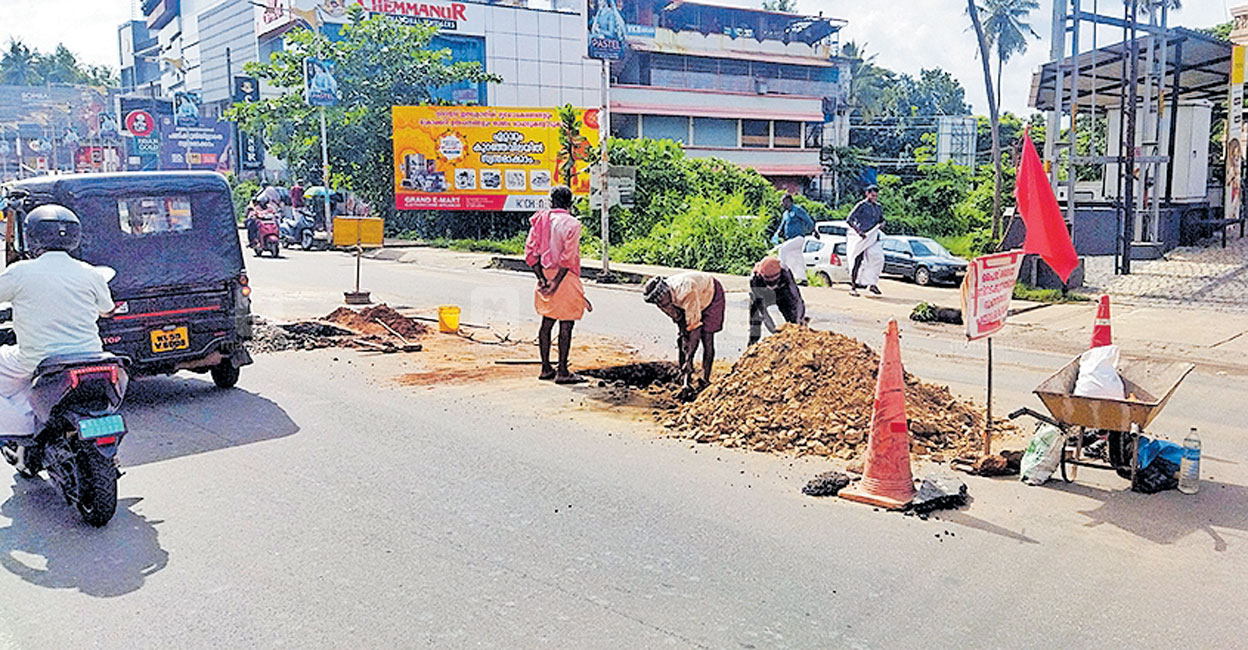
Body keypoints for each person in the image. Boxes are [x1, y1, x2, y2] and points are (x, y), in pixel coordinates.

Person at [0, 205, 115, 450]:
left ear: (32, 237)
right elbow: (107, 310)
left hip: (38, 360)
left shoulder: (20, 272)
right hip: (91, 357)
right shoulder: (91, 273)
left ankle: (20, 430)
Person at [524, 185, 588, 384]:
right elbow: (567, 258)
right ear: (570, 203)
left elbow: (530, 254)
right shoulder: (572, 224)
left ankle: (545, 368)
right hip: (564, 277)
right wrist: (555, 283)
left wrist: (542, 279)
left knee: (546, 323)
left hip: (544, 273)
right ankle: (562, 371)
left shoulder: (540, 220)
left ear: (551, 201)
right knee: (566, 324)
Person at [642, 271, 725, 390]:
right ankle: (685, 379)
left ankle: (704, 379)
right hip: (691, 300)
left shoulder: (686, 291)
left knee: (707, 338)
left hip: (710, 294)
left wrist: (689, 358)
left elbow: (695, 328)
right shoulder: (662, 301)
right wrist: (684, 337)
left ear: (666, 292)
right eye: (659, 303)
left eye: (663, 301)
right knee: (682, 339)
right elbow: (681, 323)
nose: (662, 305)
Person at [748, 256, 806, 346]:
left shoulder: (785, 272)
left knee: (794, 319)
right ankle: (751, 346)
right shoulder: (754, 279)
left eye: (774, 280)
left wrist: (798, 321)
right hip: (762, 296)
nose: (772, 283)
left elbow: (797, 299)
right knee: (755, 321)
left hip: (781, 294)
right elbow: (763, 312)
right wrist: (775, 332)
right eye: (769, 281)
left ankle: (797, 343)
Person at [846, 184, 886, 296]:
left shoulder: (878, 207)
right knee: (857, 260)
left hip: (873, 236)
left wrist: (882, 224)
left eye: (875, 195)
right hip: (861, 236)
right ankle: (853, 286)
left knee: (877, 258)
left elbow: (882, 220)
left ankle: (872, 283)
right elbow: (849, 219)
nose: (874, 197)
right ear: (867, 194)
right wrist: (859, 232)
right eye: (872, 194)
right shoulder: (861, 205)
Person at [773, 194, 815, 284]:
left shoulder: (797, 210)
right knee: (797, 258)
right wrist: (777, 234)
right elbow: (782, 226)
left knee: (782, 250)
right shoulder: (785, 214)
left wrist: (813, 230)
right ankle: (803, 279)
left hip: (798, 237)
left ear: (788, 201)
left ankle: (781, 274)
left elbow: (807, 220)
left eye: (783, 202)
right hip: (790, 239)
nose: (782, 204)